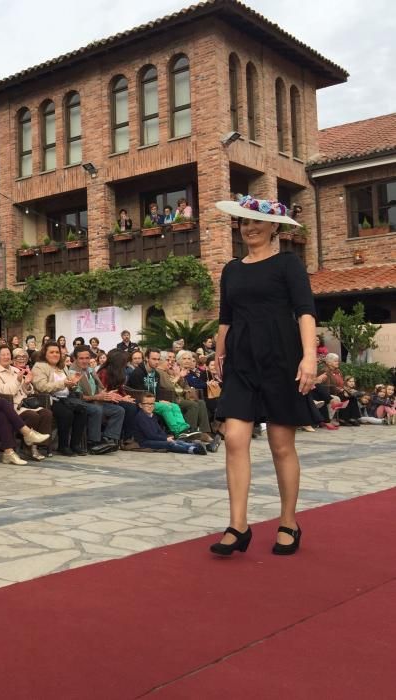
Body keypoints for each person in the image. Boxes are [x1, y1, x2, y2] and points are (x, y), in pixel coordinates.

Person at [210, 195, 317, 557]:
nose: (250, 228)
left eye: (257, 221)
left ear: (275, 227)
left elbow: (304, 312)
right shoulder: (231, 269)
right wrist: (218, 352)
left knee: (281, 444)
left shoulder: (289, 264)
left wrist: (309, 359)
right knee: (234, 439)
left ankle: (289, 521)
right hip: (241, 360)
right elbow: (226, 318)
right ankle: (238, 525)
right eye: (244, 222)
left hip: (281, 358)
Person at [0, 346, 54, 461]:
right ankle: (29, 446)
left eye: (8, 354)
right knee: (33, 416)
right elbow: (3, 392)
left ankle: (33, 445)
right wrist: (17, 381)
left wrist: (27, 383)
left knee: (46, 413)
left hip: (24, 403)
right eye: (3, 354)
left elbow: (28, 391)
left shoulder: (15, 370)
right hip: (9, 405)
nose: (7, 357)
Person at [126, 348, 199, 440]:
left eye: (158, 359)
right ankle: (177, 432)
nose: (156, 362)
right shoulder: (138, 373)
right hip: (141, 402)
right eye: (154, 359)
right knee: (165, 407)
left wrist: (160, 400)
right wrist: (157, 401)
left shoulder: (156, 374)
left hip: (153, 401)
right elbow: (140, 394)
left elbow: (158, 391)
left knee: (174, 406)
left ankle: (184, 429)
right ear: (146, 359)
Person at [32, 342, 89, 456]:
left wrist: (73, 383)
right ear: (45, 354)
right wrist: (63, 383)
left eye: (57, 352)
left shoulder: (62, 367)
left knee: (82, 410)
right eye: (51, 352)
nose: (55, 354)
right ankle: (63, 446)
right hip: (50, 400)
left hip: (66, 398)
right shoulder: (39, 366)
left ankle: (75, 445)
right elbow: (41, 387)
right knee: (67, 413)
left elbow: (68, 384)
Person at [70, 347, 125, 453]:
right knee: (96, 410)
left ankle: (108, 438)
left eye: (87, 358)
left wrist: (107, 394)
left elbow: (100, 388)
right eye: (81, 358)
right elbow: (78, 396)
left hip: (96, 401)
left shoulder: (90, 370)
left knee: (119, 410)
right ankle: (93, 442)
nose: (85, 361)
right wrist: (98, 397)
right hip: (81, 403)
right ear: (75, 359)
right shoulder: (73, 372)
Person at [133, 396, 207, 455]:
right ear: (140, 405)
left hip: (154, 439)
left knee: (177, 441)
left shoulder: (152, 416)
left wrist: (166, 436)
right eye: (147, 404)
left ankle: (199, 446)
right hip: (145, 442)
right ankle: (193, 450)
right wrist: (165, 439)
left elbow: (159, 430)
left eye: (152, 404)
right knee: (170, 444)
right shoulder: (141, 417)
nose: (150, 406)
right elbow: (150, 435)